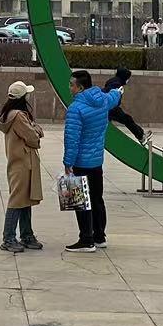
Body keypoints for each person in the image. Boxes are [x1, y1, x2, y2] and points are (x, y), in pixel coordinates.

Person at [63, 68, 123, 253]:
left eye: (72, 85)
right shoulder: (102, 100)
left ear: (80, 87)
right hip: (96, 162)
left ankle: (86, 239)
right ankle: (99, 236)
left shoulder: (76, 109)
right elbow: (114, 97)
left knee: (81, 202)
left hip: (81, 162)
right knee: (97, 199)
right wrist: (118, 89)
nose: (70, 87)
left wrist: (68, 162)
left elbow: (72, 139)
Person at [0, 81, 44, 253]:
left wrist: (34, 129)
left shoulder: (10, 114)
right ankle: (8, 238)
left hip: (20, 162)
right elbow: (33, 137)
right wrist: (36, 130)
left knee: (24, 199)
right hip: (23, 162)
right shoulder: (18, 116)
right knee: (17, 200)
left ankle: (27, 234)